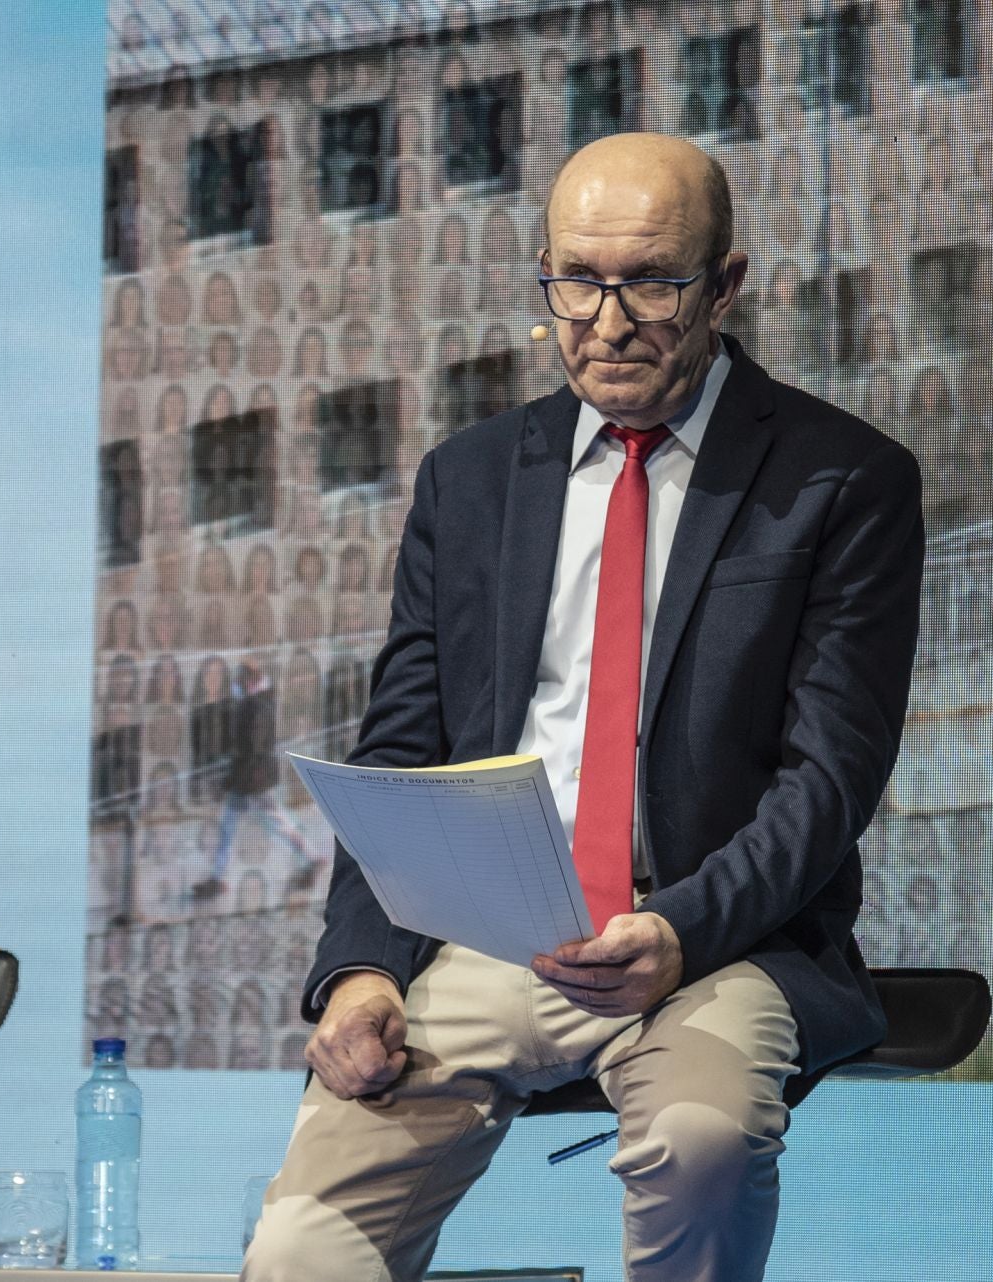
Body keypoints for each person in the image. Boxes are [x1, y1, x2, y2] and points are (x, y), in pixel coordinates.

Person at [244, 134, 924, 1282]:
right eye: (576, 281)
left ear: (726, 285)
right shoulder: (467, 480)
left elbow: (829, 783)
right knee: (301, 1249)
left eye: (651, 283)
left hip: (718, 942)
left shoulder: (842, 478)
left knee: (702, 1140)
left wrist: (679, 931)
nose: (606, 323)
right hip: (490, 941)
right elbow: (401, 759)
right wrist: (358, 968)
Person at [192, 661, 323, 902]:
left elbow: (251, 748)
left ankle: (311, 858)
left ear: (249, 682)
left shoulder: (256, 705)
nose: (235, 687)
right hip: (250, 779)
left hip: (252, 780)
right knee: (235, 828)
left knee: (272, 822)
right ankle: (217, 876)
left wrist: (230, 780)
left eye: (240, 681)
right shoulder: (258, 703)